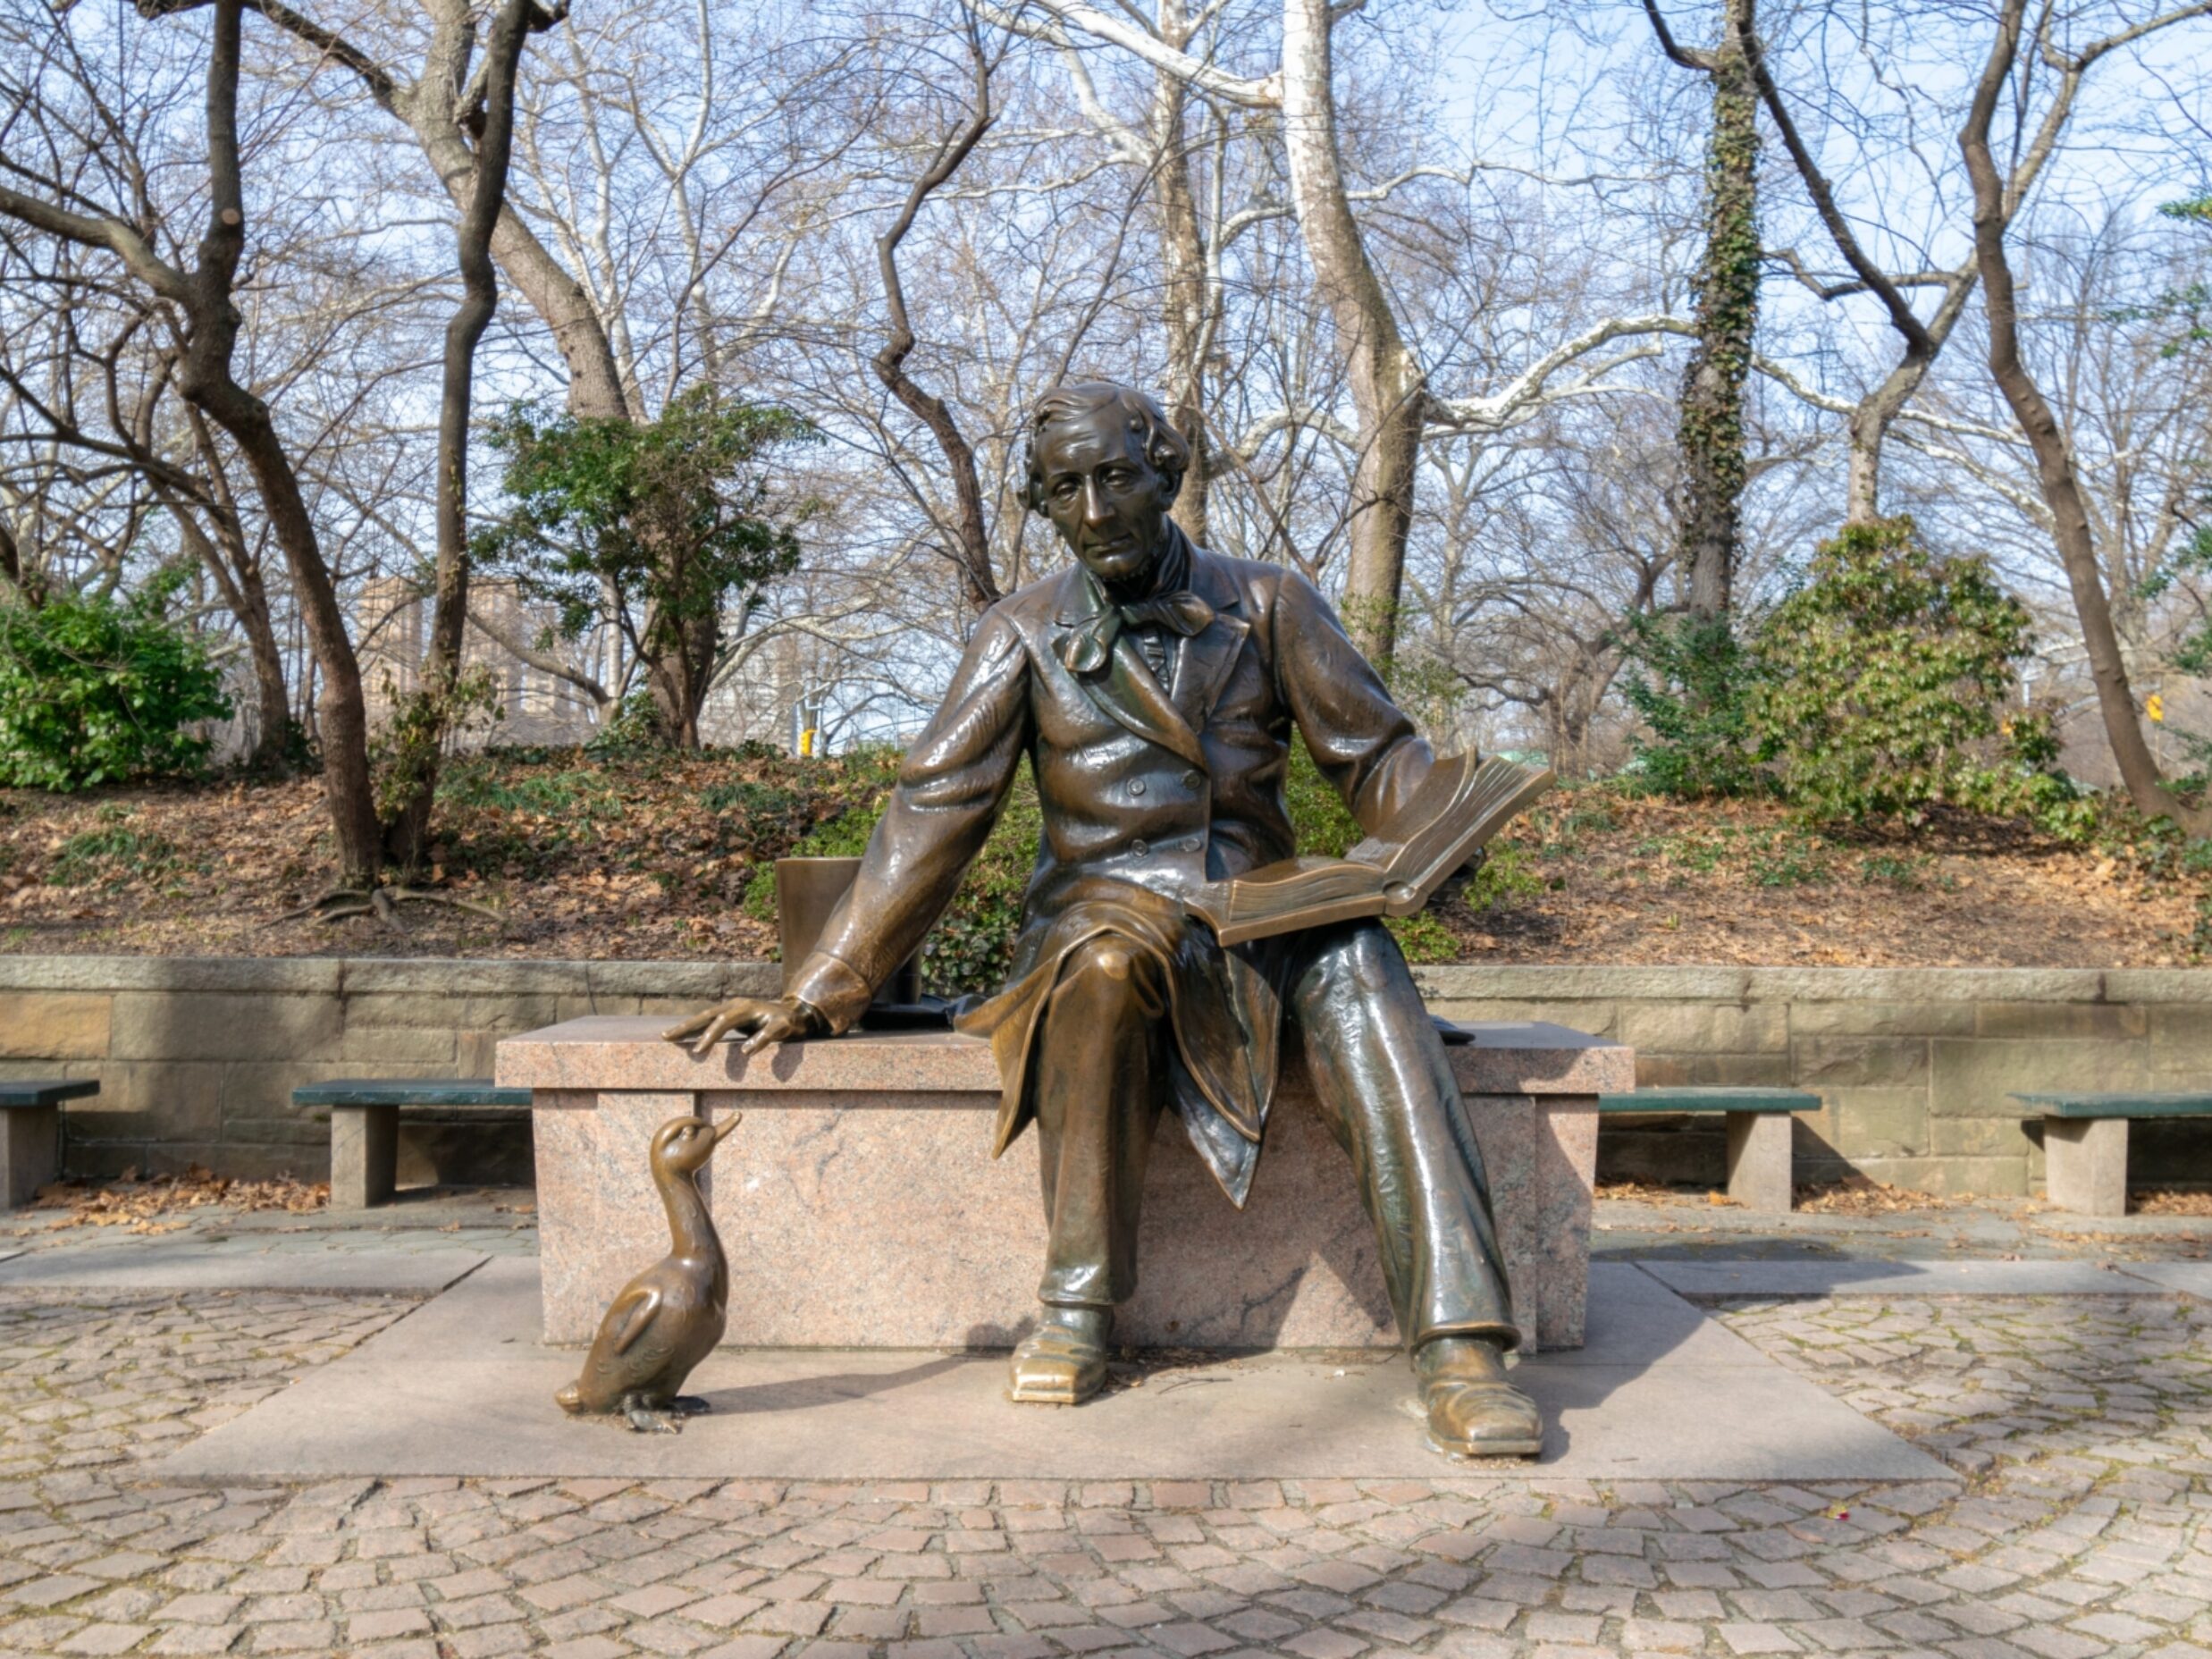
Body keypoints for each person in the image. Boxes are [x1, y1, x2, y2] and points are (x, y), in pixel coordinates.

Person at [664, 381, 1542, 1456]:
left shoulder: (1269, 601)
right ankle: (1078, 1304)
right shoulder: (1021, 631)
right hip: (1101, 908)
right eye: (1066, 489)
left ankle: (1459, 1344)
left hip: (1256, 911)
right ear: (1044, 501)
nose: (1094, 509)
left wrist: (1438, 821)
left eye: (1116, 478)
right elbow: (935, 809)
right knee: (1105, 965)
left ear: (1164, 474)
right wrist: (818, 988)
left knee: (1361, 957)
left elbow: (1376, 757)